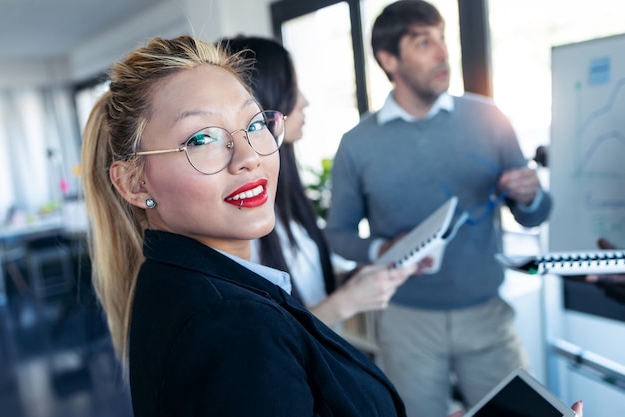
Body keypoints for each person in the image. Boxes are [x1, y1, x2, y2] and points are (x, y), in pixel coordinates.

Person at [80, 34, 422, 416]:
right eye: (202, 137)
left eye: (255, 124)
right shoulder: (231, 325)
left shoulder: (181, 282)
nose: (249, 157)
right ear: (134, 182)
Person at [324, 1, 554, 416]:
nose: (443, 53)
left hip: (487, 316)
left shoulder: (489, 117)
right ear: (388, 58)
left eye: (442, 38)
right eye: (423, 42)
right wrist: (384, 249)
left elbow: (536, 214)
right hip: (406, 322)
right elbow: (338, 233)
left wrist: (530, 196)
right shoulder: (356, 144)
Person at [220, 35, 425, 327]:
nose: (304, 101)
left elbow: (306, 289)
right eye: (291, 89)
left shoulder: (284, 201)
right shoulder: (243, 219)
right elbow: (264, 336)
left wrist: (370, 271)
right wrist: (348, 300)